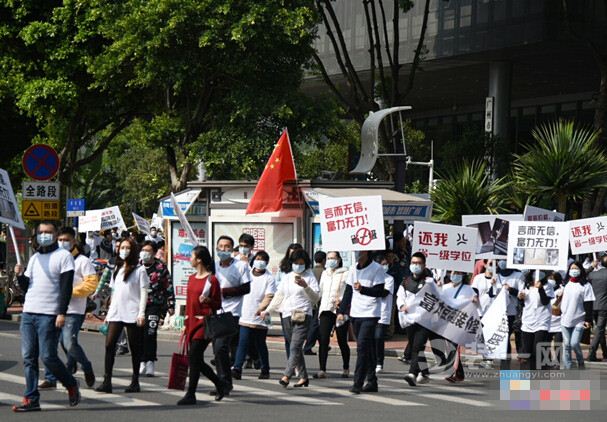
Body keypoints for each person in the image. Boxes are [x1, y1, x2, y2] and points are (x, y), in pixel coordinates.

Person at [13, 222, 81, 412]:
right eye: (41, 232)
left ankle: (70, 383)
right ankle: (31, 398)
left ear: (55, 234)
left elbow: (66, 287)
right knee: (28, 357)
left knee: (48, 357)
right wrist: (19, 276)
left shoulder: (64, 256)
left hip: (49, 314)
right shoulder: (34, 258)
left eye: (48, 232)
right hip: (29, 313)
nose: (44, 235)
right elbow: (27, 286)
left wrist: (61, 312)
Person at [40, 227, 99, 389]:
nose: (62, 243)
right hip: (53, 308)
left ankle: (86, 367)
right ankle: (52, 377)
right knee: (51, 344)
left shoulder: (83, 261)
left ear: (74, 241)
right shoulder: (53, 259)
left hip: (74, 310)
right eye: (60, 240)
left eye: (66, 240)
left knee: (69, 342)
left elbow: (92, 283)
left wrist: (70, 292)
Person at [95, 238, 149, 393]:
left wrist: (141, 313)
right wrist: (109, 312)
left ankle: (135, 381)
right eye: (122, 247)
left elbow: (144, 292)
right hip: (116, 312)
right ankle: (107, 381)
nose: (124, 250)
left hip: (132, 312)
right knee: (109, 345)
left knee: (135, 348)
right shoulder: (117, 269)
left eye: (127, 247)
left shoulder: (140, 270)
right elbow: (114, 292)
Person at [263, 249, 320, 388]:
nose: (298, 266)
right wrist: (268, 310)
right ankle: (303, 377)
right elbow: (279, 295)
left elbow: (315, 298)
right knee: (295, 347)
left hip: (303, 314)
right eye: (296, 263)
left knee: (295, 346)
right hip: (287, 314)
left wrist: (305, 286)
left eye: (301, 263)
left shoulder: (310, 277)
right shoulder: (287, 277)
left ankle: (286, 375)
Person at [177, 246, 224, 405]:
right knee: (195, 359)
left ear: (199, 260)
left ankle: (191, 393)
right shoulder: (191, 278)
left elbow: (218, 304)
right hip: (191, 322)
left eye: (192, 256)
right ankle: (220, 383)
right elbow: (189, 302)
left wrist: (209, 301)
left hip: (204, 323)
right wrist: (184, 321)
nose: (189, 259)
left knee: (194, 357)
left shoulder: (212, 280)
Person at [337, 250, 388, 394]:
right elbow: (348, 292)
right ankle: (372, 381)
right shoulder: (353, 269)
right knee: (369, 349)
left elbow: (379, 291)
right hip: (355, 313)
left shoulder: (376, 268)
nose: (358, 252)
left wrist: (363, 289)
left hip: (371, 314)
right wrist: (341, 311)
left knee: (361, 348)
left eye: (361, 249)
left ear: (367, 251)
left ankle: (357, 383)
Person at [213, 235, 252, 395]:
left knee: (221, 346)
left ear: (232, 249)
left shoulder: (241, 266)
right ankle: (225, 382)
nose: (224, 250)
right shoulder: (214, 266)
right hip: (215, 312)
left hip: (232, 312)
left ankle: (223, 382)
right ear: (216, 248)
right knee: (218, 350)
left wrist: (226, 292)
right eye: (221, 247)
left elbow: (246, 288)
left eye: (227, 247)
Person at [232, 251, 276, 380]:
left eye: (263, 259)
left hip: (262, 315)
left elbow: (269, 296)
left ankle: (265, 369)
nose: (260, 261)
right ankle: (237, 368)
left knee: (260, 343)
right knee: (243, 342)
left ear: (267, 263)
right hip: (245, 314)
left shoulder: (269, 278)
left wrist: (261, 308)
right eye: (257, 258)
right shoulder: (247, 274)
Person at [138, 241, 175, 377]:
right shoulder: (136, 266)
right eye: (143, 250)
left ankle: (150, 362)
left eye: (148, 250)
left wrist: (171, 304)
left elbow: (168, 286)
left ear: (154, 253)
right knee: (139, 334)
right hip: (138, 305)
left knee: (150, 332)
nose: (145, 253)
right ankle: (141, 360)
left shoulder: (161, 267)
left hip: (154, 304)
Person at [402, 252, 436, 386]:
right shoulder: (406, 281)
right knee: (415, 346)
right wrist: (401, 306)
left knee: (417, 346)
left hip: (425, 320)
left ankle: (412, 374)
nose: (415, 266)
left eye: (418, 263)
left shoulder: (429, 282)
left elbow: (437, 298)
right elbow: (400, 296)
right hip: (409, 319)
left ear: (424, 265)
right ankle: (425, 371)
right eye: (413, 263)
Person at [316, 251, 350, 379]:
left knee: (342, 340)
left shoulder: (346, 273)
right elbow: (320, 291)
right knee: (323, 339)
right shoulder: (325, 273)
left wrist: (342, 301)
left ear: (339, 259)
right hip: (325, 309)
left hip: (339, 310)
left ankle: (346, 367)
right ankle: (322, 369)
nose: (331, 261)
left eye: (333, 258)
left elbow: (348, 292)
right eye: (328, 258)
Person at [442, 271, 479, 382]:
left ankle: (450, 371)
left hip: (460, 322)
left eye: (458, 273)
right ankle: (459, 373)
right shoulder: (444, 287)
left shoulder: (468, 289)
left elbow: (476, 304)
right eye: (453, 272)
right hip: (446, 321)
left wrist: (474, 300)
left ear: (463, 275)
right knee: (449, 347)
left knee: (454, 346)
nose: (455, 275)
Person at [560, 262, 595, 369]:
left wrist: (588, 320)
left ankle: (580, 362)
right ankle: (568, 367)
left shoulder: (586, 285)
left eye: (576, 268)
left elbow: (589, 303)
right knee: (566, 345)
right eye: (572, 268)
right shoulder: (565, 284)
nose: (574, 270)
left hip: (579, 319)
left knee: (574, 343)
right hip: (565, 319)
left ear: (580, 270)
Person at [518, 271, 554, 370]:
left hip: (542, 320)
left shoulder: (548, 285)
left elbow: (545, 301)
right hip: (528, 321)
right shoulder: (526, 285)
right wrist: (520, 298)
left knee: (537, 349)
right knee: (527, 351)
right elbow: (523, 303)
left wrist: (541, 289)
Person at [274, 243, 304, 358]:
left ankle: (295, 361)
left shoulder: (304, 269)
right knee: (288, 336)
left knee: (297, 338)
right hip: (285, 305)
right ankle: (290, 361)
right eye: (291, 253)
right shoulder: (284, 267)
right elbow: (277, 282)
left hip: (299, 306)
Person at [374, 253, 394, 373]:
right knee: (370, 339)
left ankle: (379, 362)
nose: (384, 266)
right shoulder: (371, 278)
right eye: (382, 264)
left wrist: (367, 290)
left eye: (386, 264)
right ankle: (371, 361)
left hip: (382, 313)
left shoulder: (389, 279)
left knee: (379, 337)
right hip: (371, 312)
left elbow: (384, 293)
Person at [304, 251, 325, 356]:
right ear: (324, 260)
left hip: (310, 301)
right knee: (315, 324)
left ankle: (324, 344)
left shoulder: (310, 271)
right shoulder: (324, 272)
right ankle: (308, 345)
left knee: (316, 324)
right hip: (319, 301)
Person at [588, 254, 607, 361]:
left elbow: (581, 276)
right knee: (599, 329)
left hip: (593, 305)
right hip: (603, 306)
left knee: (600, 329)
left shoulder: (593, 274)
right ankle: (592, 351)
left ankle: (605, 352)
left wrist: (591, 267)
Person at [547, 272, 564, 368]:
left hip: (559, 322)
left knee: (558, 343)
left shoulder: (562, 290)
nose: (550, 280)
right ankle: (547, 360)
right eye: (549, 278)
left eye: (552, 278)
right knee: (546, 343)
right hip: (547, 322)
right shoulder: (545, 289)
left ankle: (557, 362)